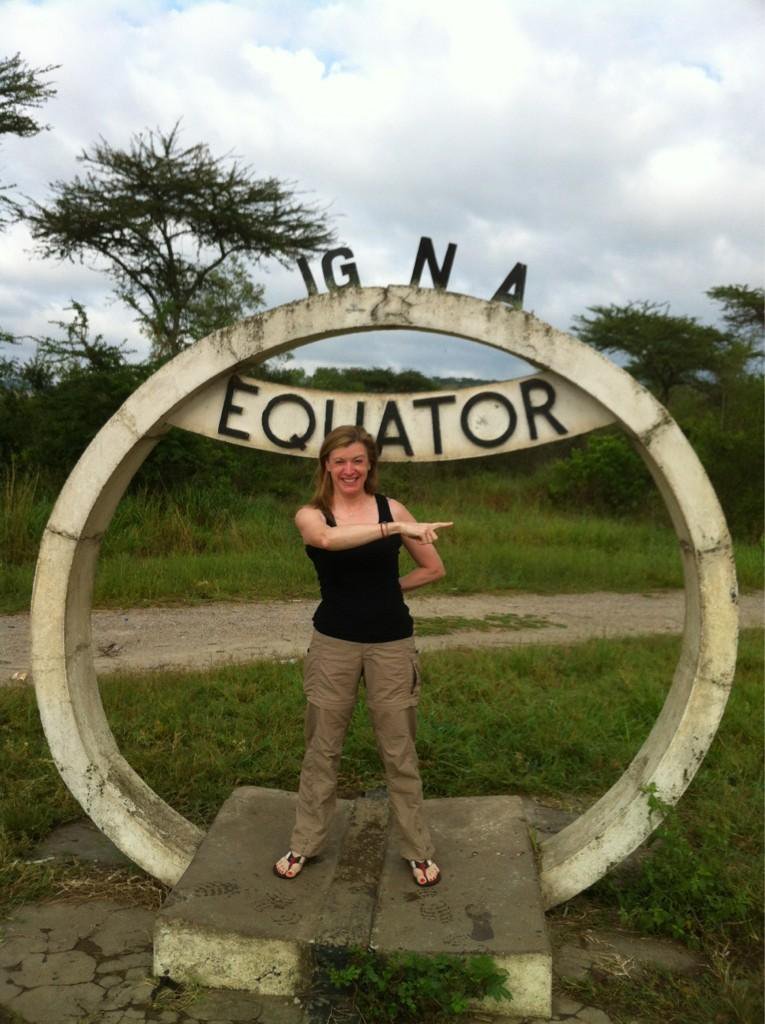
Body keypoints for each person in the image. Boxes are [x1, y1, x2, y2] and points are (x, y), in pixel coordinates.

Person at [273, 424, 453, 887]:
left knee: (399, 751)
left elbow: (433, 568)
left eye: (357, 460)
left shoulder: (393, 507)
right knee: (322, 748)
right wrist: (394, 529)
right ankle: (305, 842)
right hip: (333, 643)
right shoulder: (312, 514)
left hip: (391, 644)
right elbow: (328, 542)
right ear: (326, 466)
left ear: (369, 464)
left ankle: (417, 849)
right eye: (340, 461)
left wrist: (387, 589)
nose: (349, 469)